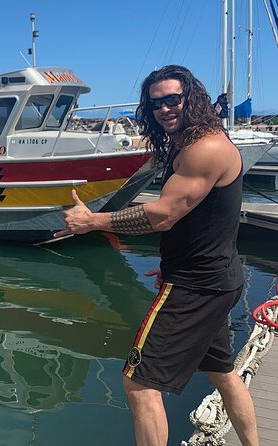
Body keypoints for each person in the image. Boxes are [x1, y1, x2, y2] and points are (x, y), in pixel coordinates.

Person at [55, 65, 258, 446]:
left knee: (139, 383)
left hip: (196, 287)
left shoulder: (206, 148)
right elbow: (201, 218)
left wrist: (93, 222)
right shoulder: (193, 143)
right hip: (215, 278)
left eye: (172, 99)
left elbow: (164, 214)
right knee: (223, 374)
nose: (164, 109)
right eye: (155, 104)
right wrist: (172, 260)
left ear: (191, 98)